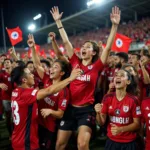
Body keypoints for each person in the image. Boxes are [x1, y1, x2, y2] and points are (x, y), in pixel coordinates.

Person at [50, 6, 121, 150]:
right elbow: (66, 42)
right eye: (82, 46)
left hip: (86, 110)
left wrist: (114, 26)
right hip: (70, 109)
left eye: (87, 47)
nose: (83, 48)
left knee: (82, 145)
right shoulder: (75, 61)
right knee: (59, 145)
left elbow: (107, 48)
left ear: (93, 52)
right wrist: (58, 22)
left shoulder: (96, 66)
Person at [10, 64, 81, 150]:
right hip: (26, 143)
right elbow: (48, 91)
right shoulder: (26, 94)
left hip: (18, 138)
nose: (33, 75)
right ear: (24, 80)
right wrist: (70, 78)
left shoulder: (15, 92)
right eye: (29, 74)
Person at [27, 34, 71, 150]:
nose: (51, 69)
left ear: (62, 73)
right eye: (51, 66)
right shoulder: (47, 79)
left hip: (49, 127)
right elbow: (37, 65)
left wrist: (51, 111)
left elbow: (60, 114)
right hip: (37, 122)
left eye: (55, 67)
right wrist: (32, 47)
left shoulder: (64, 91)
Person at [95, 69, 141, 150]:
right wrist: (98, 113)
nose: (118, 77)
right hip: (111, 141)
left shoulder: (134, 100)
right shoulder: (107, 97)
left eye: (122, 76)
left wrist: (121, 129)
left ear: (128, 82)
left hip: (129, 143)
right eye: (116, 75)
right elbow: (101, 123)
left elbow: (137, 125)